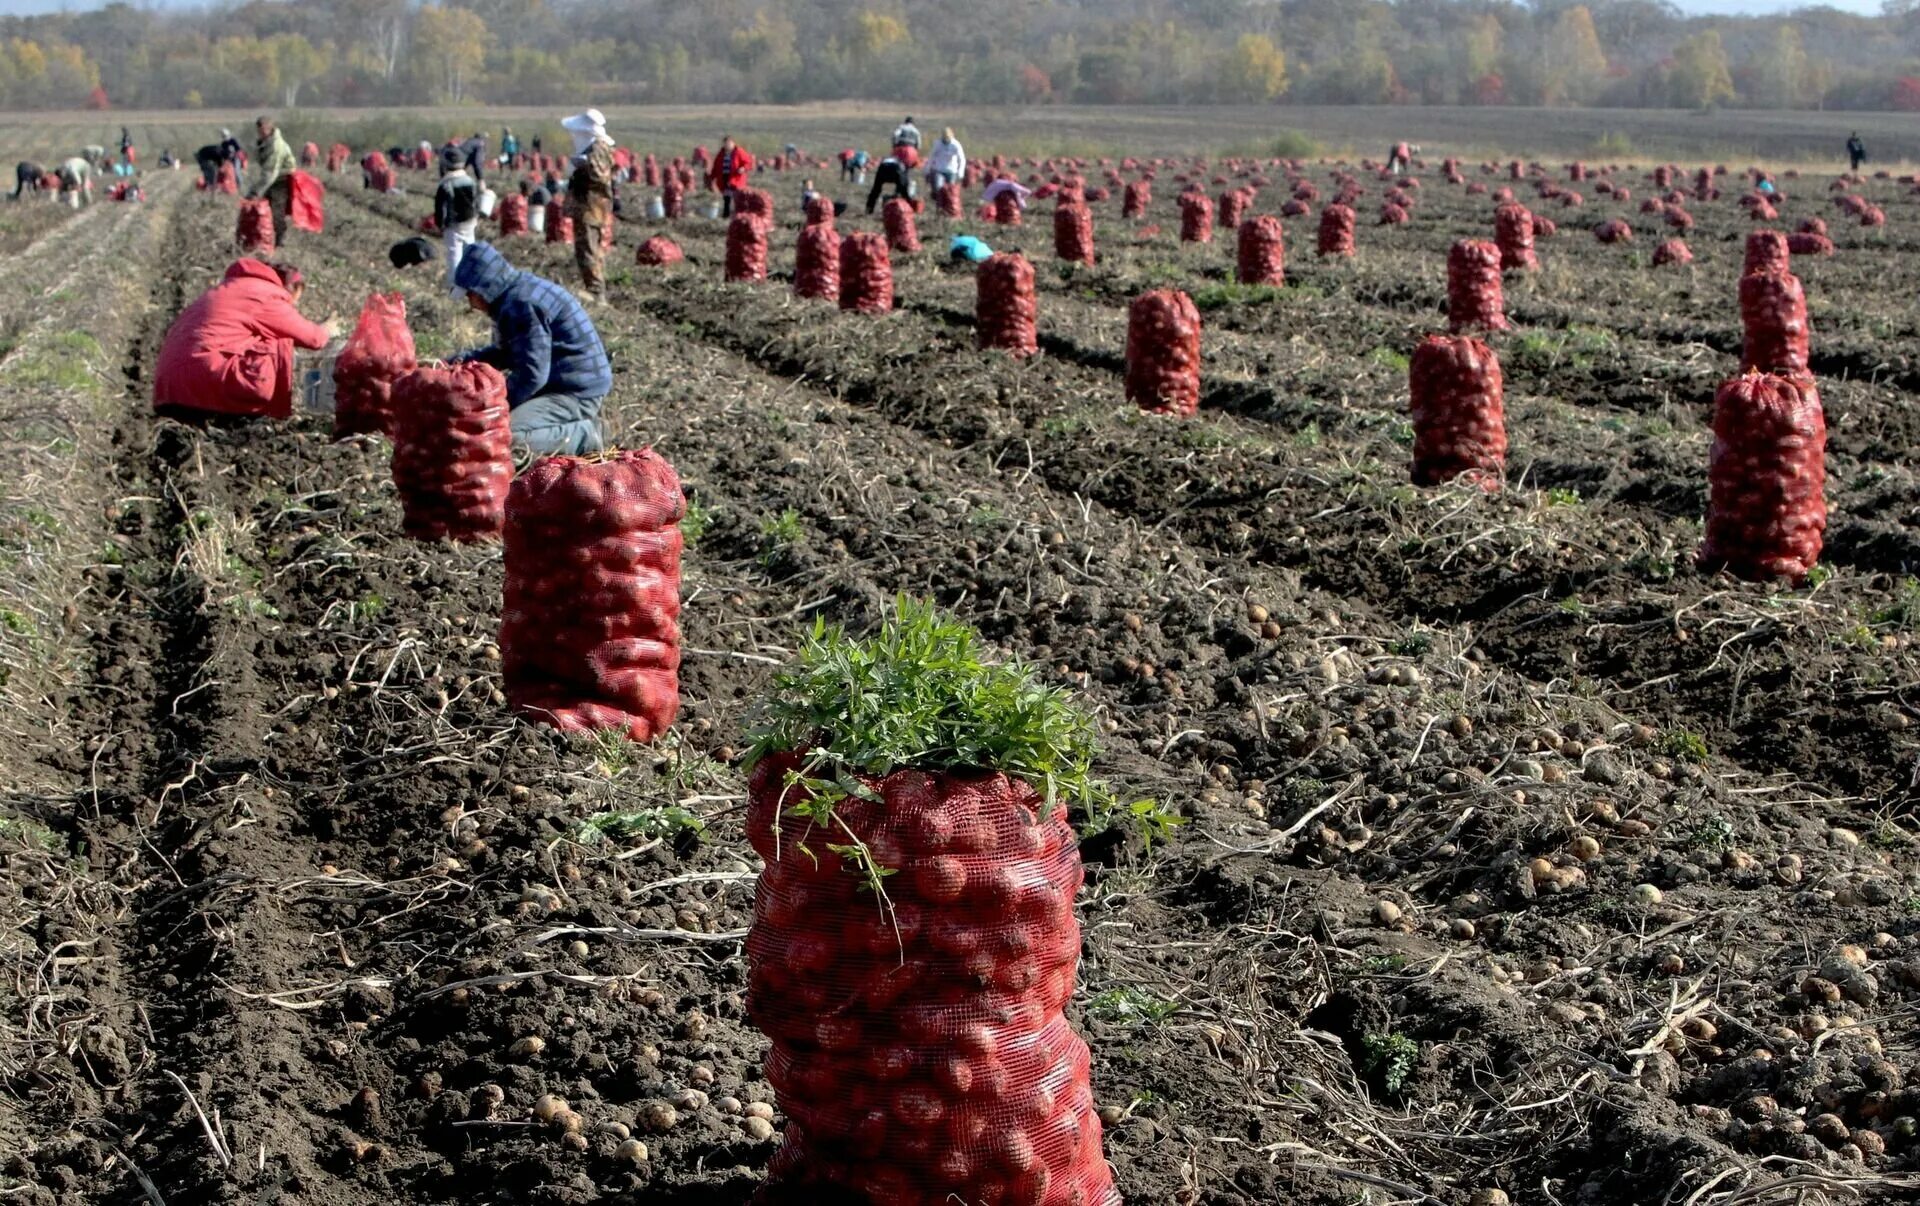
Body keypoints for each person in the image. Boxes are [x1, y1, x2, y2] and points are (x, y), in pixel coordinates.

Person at [450, 243, 611, 456]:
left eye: (470, 295)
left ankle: (586, 434)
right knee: (498, 429)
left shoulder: (520, 305)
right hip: (563, 382)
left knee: (503, 437)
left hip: (575, 391)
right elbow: (507, 353)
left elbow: (533, 375)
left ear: (483, 288)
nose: (470, 303)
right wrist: (456, 362)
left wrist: (495, 407)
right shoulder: (515, 293)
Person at [152, 260, 338, 422]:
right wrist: (328, 328)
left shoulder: (225, 290)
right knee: (280, 344)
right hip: (207, 382)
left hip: (168, 390)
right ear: (294, 288)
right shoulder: (264, 294)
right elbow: (314, 339)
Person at [563, 108, 616, 299]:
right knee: (586, 248)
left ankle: (595, 291)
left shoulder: (598, 148)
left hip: (592, 208)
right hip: (589, 206)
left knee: (589, 249)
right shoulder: (596, 148)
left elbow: (600, 176)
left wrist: (584, 165)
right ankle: (593, 287)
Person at [435, 145, 480, 296]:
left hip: (453, 224)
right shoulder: (470, 181)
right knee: (470, 252)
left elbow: (440, 207)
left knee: (454, 255)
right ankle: (473, 285)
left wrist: (439, 223)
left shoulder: (445, 184)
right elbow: (476, 201)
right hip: (470, 221)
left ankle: (456, 290)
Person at [249, 115, 297, 244]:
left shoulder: (276, 146)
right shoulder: (264, 143)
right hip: (273, 178)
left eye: (262, 130)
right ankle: (267, 238)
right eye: (258, 130)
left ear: (270, 128)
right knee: (267, 209)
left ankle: (280, 240)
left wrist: (255, 192)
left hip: (282, 178)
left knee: (277, 210)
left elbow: (270, 172)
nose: (260, 133)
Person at [708, 135, 755, 217]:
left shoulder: (739, 152)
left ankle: (739, 215)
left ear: (733, 143)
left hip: (736, 180)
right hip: (724, 179)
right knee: (727, 198)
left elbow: (748, 162)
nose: (727, 145)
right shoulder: (721, 153)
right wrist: (712, 177)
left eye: (729, 143)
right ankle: (726, 216)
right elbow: (716, 166)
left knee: (738, 199)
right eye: (726, 143)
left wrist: (743, 168)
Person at [925, 127, 965, 193]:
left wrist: (960, 171)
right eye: (944, 138)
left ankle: (947, 202)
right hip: (939, 170)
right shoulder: (937, 144)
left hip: (951, 171)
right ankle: (940, 201)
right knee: (939, 188)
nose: (946, 140)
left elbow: (961, 159)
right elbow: (931, 156)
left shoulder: (956, 145)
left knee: (950, 190)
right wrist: (927, 168)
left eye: (947, 138)